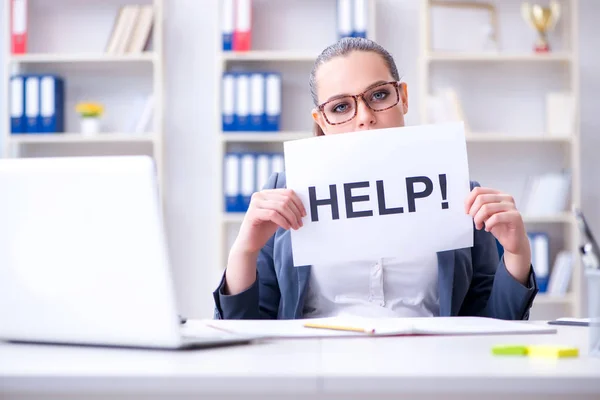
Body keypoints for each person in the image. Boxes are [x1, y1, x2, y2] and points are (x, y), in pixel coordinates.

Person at [213, 37, 538, 320]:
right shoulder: (284, 195)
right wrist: (245, 250)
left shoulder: (458, 194)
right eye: (341, 107)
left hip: (430, 370)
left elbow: (491, 325)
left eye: (379, 96)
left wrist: (516, 254)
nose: (365, 117)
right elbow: (247, 327)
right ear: (322, 121)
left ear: (404, 98)